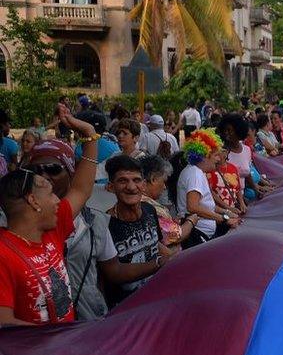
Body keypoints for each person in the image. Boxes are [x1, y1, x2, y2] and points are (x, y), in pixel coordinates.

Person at [0, 107, 97, 326]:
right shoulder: (3, 255)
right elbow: (3, 323)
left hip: (63, 351)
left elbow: (81, 189)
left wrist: (89, 133)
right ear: (33, 201)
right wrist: (52, 339)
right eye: (50, 193)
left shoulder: (52, 230)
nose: (57, 200)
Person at [103, 156, 171, 309]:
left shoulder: (150, 210)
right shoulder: (105, 225)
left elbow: (156, 243)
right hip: (126, 309)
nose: (131, 187)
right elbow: (113, 274)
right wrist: (159, 263)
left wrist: (178, 258)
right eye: (122, 181)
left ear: (144, 185)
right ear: (111, 187)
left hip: (157, 299)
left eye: (136, 180)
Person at [175, 129, 239, 249]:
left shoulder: (196, 172)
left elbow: (206, 205)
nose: (218, 159)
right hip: (197, 236)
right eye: (215, 155)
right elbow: (193, 207)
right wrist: (224, 220)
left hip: (201, 234)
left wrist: (227, 212)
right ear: (204, 156)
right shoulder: (195, 174)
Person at [139, 154, 194, 249]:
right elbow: (175, 236)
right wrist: (191, 221)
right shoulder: (148, 207)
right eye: (163, 181)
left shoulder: (141, 202)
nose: (164, 187)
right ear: (153, 179)